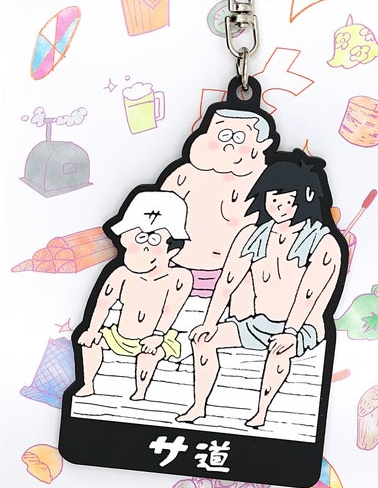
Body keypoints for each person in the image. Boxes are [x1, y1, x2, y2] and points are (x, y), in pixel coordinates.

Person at [179, 154, 343, 428]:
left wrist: (291, 332)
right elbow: (228, 280)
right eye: (273, 198)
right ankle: (198, 407)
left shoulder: (323, 242)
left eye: (288, 199)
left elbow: (308, 295)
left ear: (307, 197)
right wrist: (209, 322)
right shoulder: (252, 234)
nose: (280, 206)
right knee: (203, 340)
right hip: (259, 322)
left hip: (304, 326)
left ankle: (261, 412)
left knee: (280, 349)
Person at [76, 191, 193, 402]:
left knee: (150, 355)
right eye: (138, 239)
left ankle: (140, 391)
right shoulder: (120, 273)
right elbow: (103, 303)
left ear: (173, 249)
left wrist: (158, 335)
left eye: (153, 241)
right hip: (118, 336)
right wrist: (93, 329)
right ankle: (88, 384)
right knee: (90, 343)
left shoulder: (179, 278)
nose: (142, 249)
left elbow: (170, 310)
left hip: (158, 337)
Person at [160, 105, 274, 297]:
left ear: (263, 145)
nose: (228, 144)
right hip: (175, 269)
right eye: (223, 134)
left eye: (239, 137)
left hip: (234, 279)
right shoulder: (184, 175)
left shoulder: (263, 182)